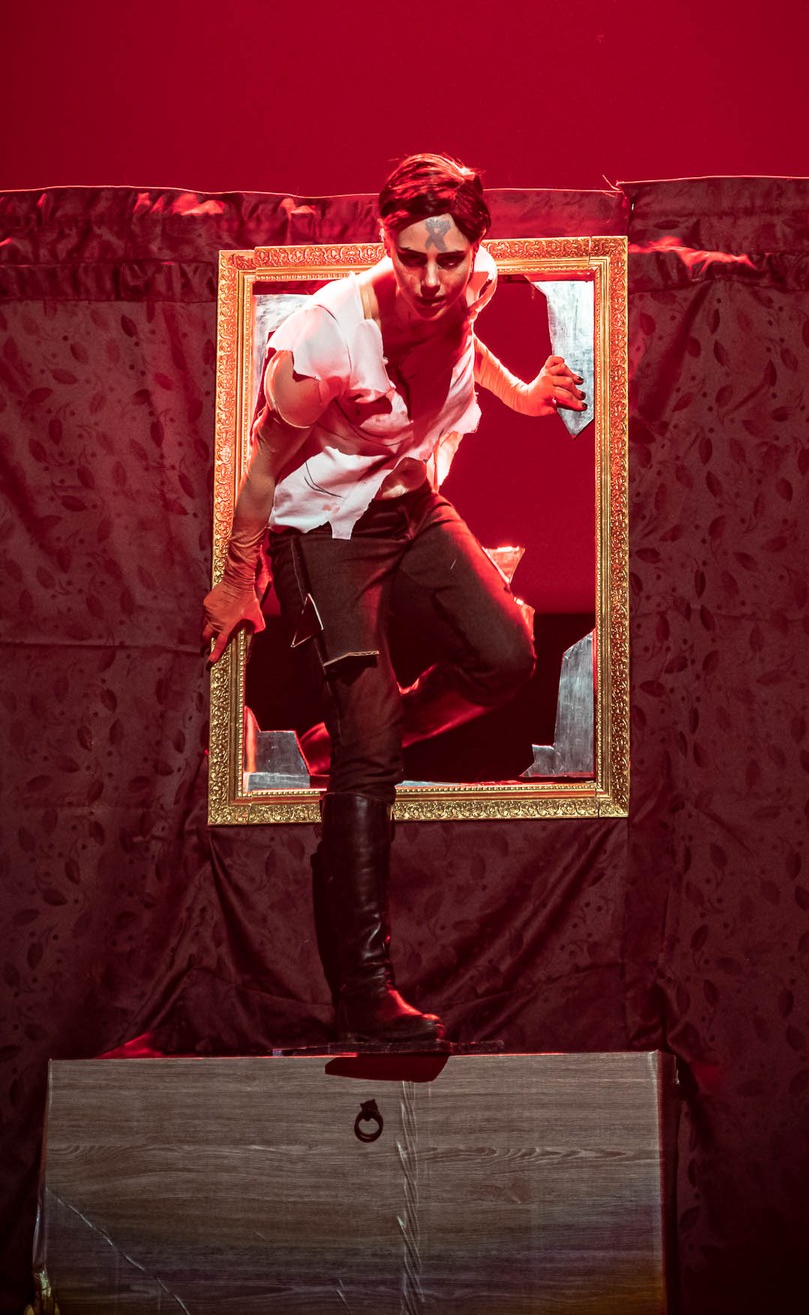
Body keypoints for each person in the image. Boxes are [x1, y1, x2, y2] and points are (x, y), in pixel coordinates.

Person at [202, 154, 584, 1049]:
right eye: (412, 258)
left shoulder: (473, 281)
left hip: (412, 504)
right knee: (370, 752)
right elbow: (261, 469)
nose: (432, 280)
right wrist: (238, 574)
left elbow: (462, 347)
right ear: (384, 240)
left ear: (474, 249)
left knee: (506, 654)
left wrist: (527, 398)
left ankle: (351, 744)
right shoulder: (324, 338)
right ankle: (365, 994)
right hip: (325, 531)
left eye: (449, 259)